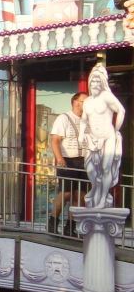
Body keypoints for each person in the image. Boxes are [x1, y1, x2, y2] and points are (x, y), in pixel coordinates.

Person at [81, 63, 125, 208]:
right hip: (92, 140)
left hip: (108, 137)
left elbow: (121, 110)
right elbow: (83, 119)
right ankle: (96, 189)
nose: (94, 84)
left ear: (102, 83)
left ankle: (103, 199)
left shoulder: (106, 96)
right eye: (92, 81)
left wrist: (116, 129)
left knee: (106, 168)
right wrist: (81, 134)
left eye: (97, 81)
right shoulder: (87, 101)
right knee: (90, 170)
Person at [49, 92, 86, 234]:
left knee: (80, 195)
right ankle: (53, 221)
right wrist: (59, 158)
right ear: (76, 102)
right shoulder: (63, 118)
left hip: (83, 160)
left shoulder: (87, 120)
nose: (87, 104)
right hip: (67, 160)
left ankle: (70, 226)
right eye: (84, 101)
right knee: (66, 193)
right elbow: (55, 140)